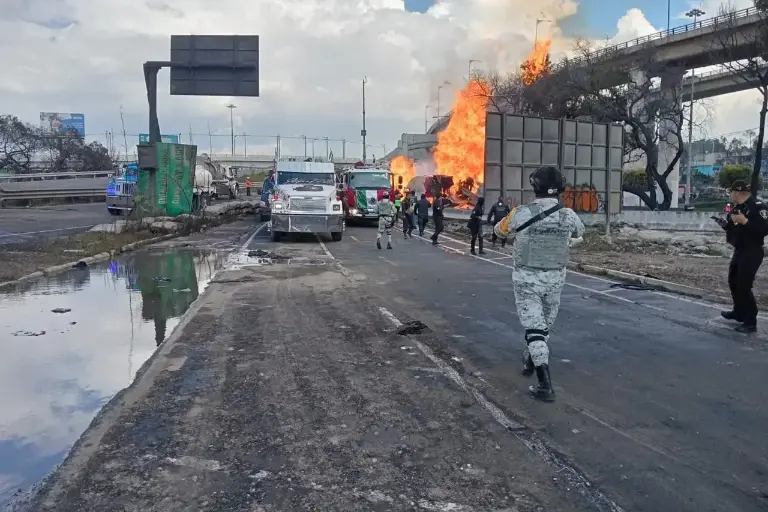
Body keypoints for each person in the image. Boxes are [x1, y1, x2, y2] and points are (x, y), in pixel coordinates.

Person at [497, 165, 584, 402]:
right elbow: (579, 233)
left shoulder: (520, 213)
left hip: (527, 280)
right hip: (556, 280)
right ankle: (531, 356)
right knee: (543, 326)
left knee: (534, 328)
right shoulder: (568, 215)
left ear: (535, 186)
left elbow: (500, 230)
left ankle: (545, 384)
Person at [714, 180, 768, 333]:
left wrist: (745, 221)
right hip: (740, 250)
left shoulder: (757, 206)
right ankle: (739, 312)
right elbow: (734, 228)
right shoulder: (738, 208)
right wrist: (725, 225)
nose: (730, 195)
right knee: (733, 282)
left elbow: (764, 228)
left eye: (731, 192)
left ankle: (751, 321)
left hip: (752, 251)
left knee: (744, 285)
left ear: (737, 192)